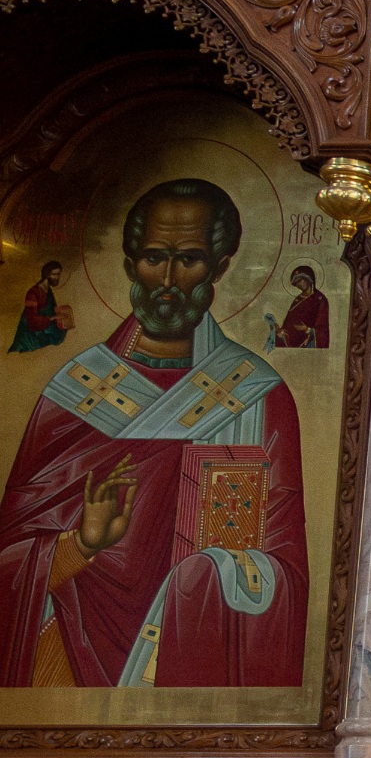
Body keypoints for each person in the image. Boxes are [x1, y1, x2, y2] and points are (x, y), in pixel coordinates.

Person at [0, 180, 309, 689]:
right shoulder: (74, 392)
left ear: (220, 266)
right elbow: (9, 562)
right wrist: (80, 544)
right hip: (64, 661)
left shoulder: (257, 395)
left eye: (188, 260)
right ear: (129, 264)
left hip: (186, 668)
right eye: (153, 258)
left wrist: (209, 577)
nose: (167, 279)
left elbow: (285, 575)